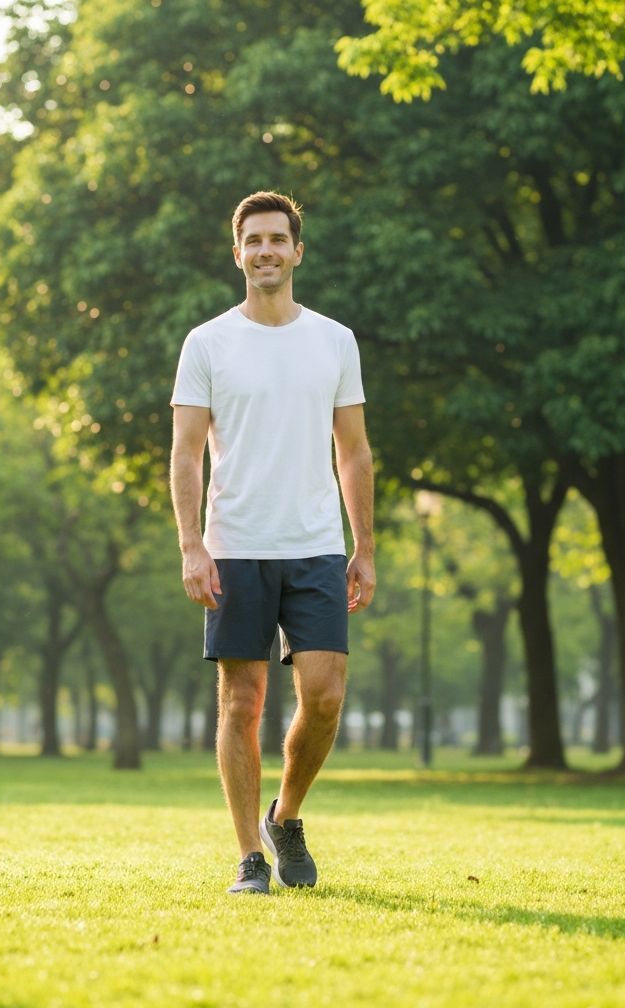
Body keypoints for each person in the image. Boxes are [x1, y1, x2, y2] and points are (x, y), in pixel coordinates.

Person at [169, 191, 376, 895]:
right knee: (242, 701)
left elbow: (353, 451)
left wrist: (365, 544)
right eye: (252, 240)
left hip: (316, 545)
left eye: (276, 240)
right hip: (235, 546)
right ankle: (247, 857)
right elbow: (187, 451)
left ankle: (284, 818)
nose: (265, 251)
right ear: (237, 253)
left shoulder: (333, 340)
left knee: (323, 696)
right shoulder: (207, 343)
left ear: (297, 251)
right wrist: (191, 544)